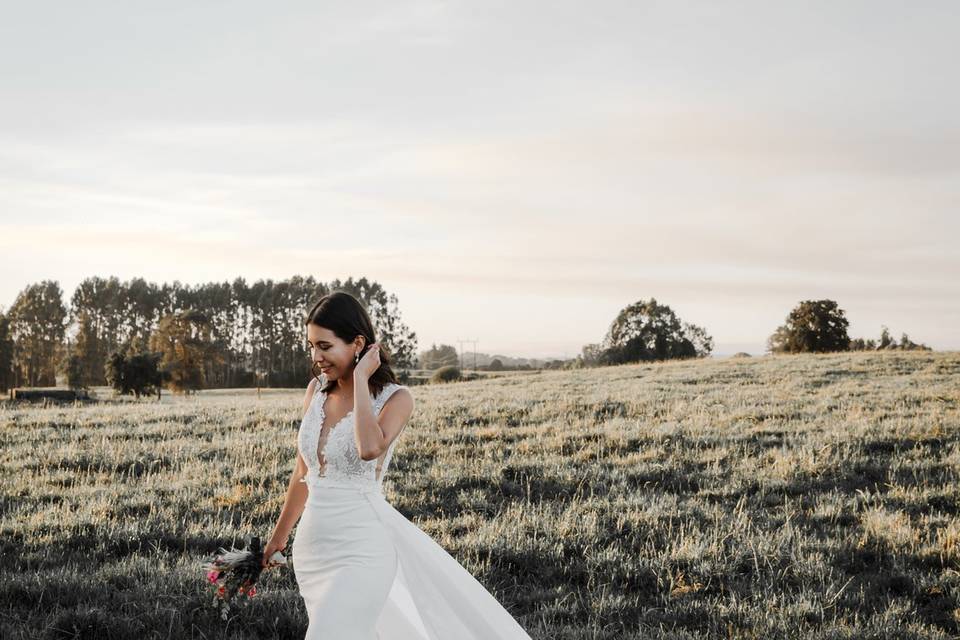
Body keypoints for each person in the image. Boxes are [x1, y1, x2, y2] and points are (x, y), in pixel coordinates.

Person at [263, 291, 532, 639]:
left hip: (362, 551)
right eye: (311, 346)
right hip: (313, 552)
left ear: (358, 343)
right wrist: (278, 538)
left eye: (325, 347)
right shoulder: (315, 390)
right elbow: (304, 471)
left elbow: (369, 448)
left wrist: (360, 381)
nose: (316, 357)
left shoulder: (397, 398)